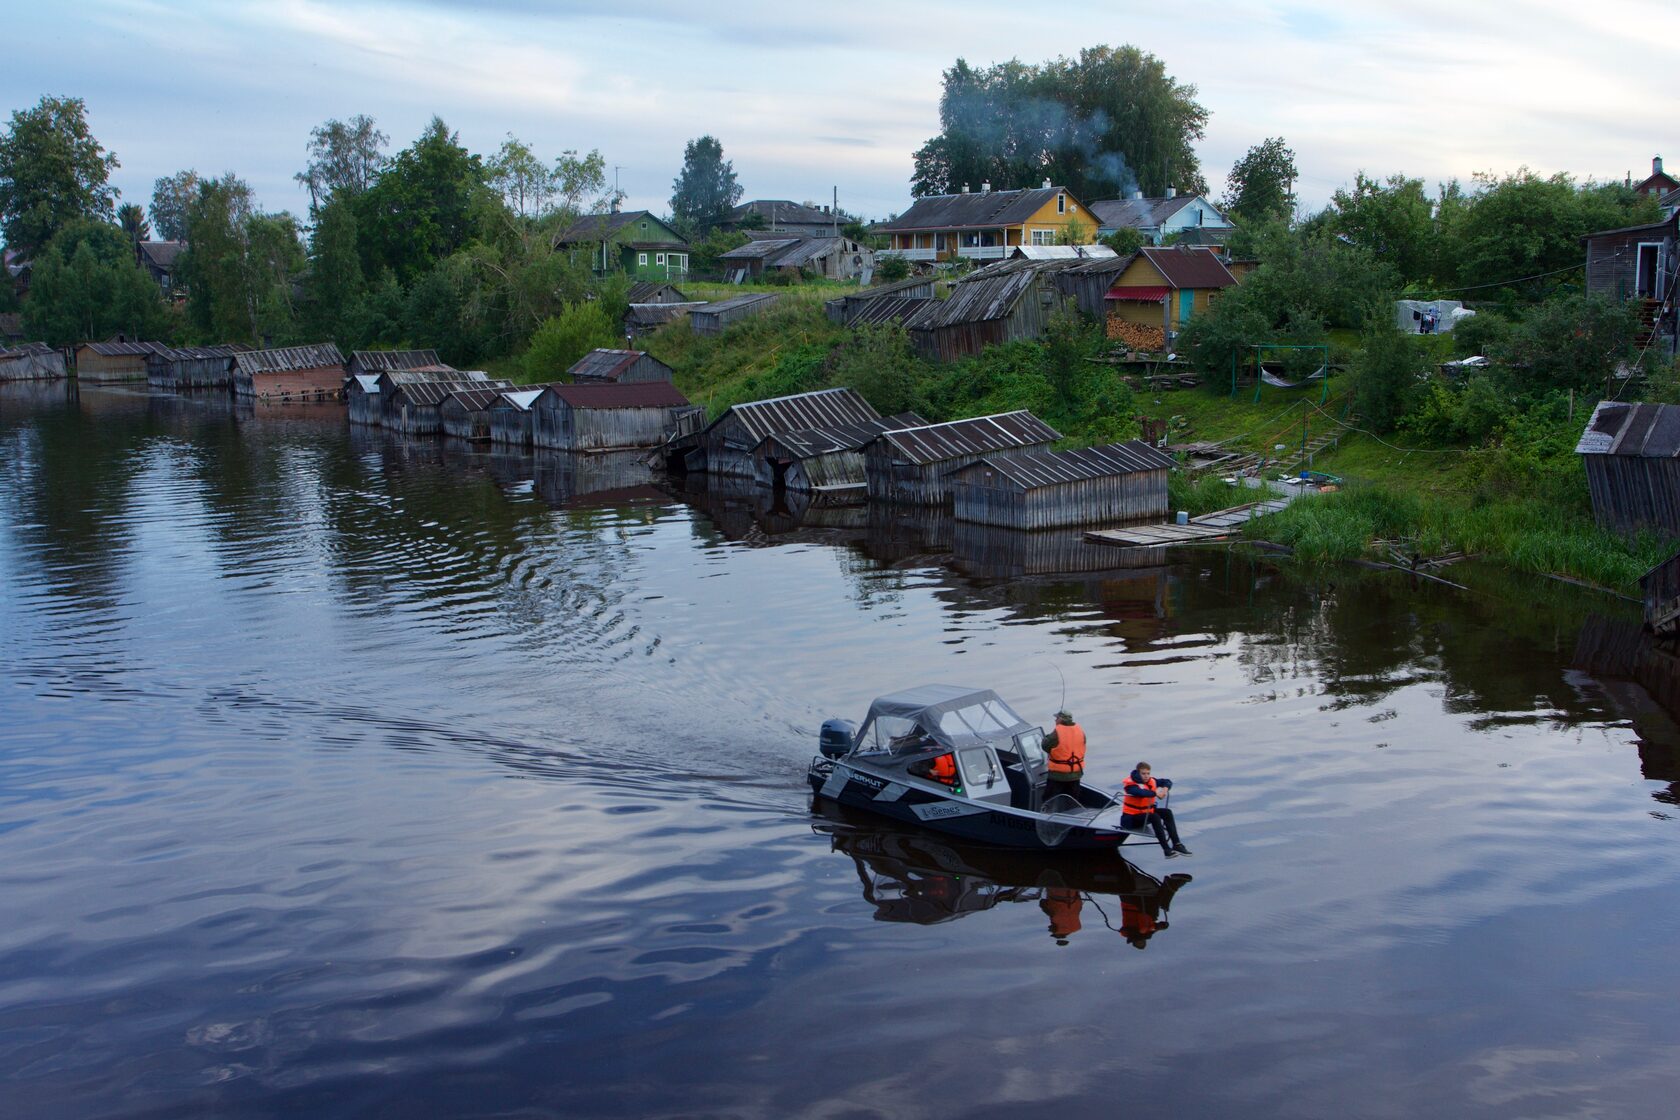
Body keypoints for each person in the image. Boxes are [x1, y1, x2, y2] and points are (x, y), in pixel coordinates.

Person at [1121, 761, 1191, 858]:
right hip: (1130, 819)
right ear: (1138, 773)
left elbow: (1167, 781)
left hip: (1145, 813)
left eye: (1148, 773)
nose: (1146, 776)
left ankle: (1177, 844)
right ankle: (1166, 850)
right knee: (1154, 817)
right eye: (1143, 773)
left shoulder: (1151, 780)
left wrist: (1164, 789)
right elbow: (1140, 793)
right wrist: (1156, 793)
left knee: (1167, 812)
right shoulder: (1130, 785)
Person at [1039, 711, 1086, 800]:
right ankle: (1072, 811)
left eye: (1056, 718)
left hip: (1058, 775)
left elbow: (1045, 746)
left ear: (1061, 719)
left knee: (1048, 799)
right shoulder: (1080, 731)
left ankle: (1047, 812)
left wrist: (1048, 737)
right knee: (1073, 799)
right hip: (1075, 774)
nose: (1055, 720)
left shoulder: (1056, 733)